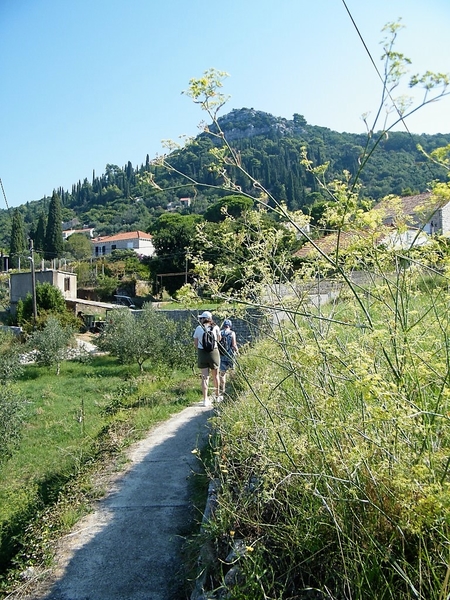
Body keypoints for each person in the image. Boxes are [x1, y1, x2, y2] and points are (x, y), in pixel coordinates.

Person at [193, 311, 221, 406]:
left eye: (201, 318)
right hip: (214, 352)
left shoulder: (198, 328)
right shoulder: (216, 327)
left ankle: (205, 399)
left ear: (204, 319)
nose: (200, 319)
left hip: (202, 353)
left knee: (205, 377)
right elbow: (219, 339)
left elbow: (196, 344)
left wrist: (202, 349)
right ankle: (217, 396)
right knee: (215, 375)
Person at [219, 319, 238, 395]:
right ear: (230, 326)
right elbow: (234, 345)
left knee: (222, 373)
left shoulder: (220, 333)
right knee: (232, 371)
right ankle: (232, 388)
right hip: (230, 355)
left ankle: (222, 390)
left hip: (222, 355)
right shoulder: (232, 333)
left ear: (224, 325)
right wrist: (237, 352)